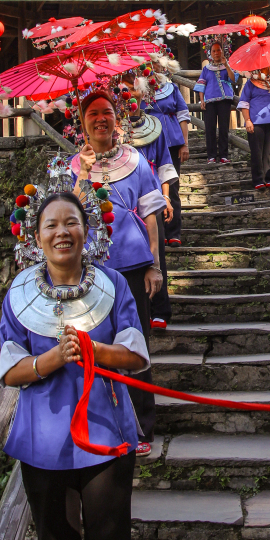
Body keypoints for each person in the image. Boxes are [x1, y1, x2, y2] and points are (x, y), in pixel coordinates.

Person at [0, 191, 148, 540]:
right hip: (44, 445)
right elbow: (9, 370)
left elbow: (136, 355)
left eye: (71, 223)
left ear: (87, 231)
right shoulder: (17, 295)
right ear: (34, 236)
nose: (62, 232)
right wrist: (49, 359)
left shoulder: (114, 287)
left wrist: (94, 350)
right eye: (50, 225)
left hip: (104, 441)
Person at [71, 89, 165, 456]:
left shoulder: (136, 161)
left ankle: (142, 428)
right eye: (92, 113)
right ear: (83, 123)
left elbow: (152, 214)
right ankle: (106, 424)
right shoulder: (73, 165)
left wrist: (155, 265)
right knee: (97, 349)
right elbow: (70, 213)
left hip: (133, 267)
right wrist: (83, 170)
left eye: (107, 112)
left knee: (134, 343)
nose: (100, 119)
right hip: (92, 272)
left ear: (117, 118)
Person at [120, 79, 175, 332]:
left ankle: (160, 308)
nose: (131, 95)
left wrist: (166, 197)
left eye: (134, 89)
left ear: (143, 93)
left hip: (152, 194)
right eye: (125, 90)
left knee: (156, 253)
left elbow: (164, 162)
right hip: (125, 199)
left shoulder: (156, 125)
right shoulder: (114, 131)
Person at [141, 59, 191, 247]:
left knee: (172, 186)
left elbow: (183, 115)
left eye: (157, 64)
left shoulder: (172, 88)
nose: (154, 67)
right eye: (150, 64)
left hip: (172, 141)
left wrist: (185, 144)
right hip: (148, 142)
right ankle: (157, 232)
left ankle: (174, 231)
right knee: (151, 185)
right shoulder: (141, 90)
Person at [238, 68, 270, 190]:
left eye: (268, 67)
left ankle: (268, 179)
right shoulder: (250, 84)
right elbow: (244, 103)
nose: (266, 69)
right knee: (257, 152)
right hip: (255, 122)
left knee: (269, 152)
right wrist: (247, 120)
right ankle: (258, 180)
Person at [195, 42, 237, 163]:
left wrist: (226, 65)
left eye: (218, 50)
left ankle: (224, 155)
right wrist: (202, 100)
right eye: (213, 51)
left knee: (224, 128)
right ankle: (211, 156)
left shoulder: (228, 66)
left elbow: (233, 79)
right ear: (210, 53)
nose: (216, 53)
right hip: (210, 101)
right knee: (210, 128)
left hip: (225, 100)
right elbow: (201, 84)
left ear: (223, 51)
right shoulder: (206, 69)